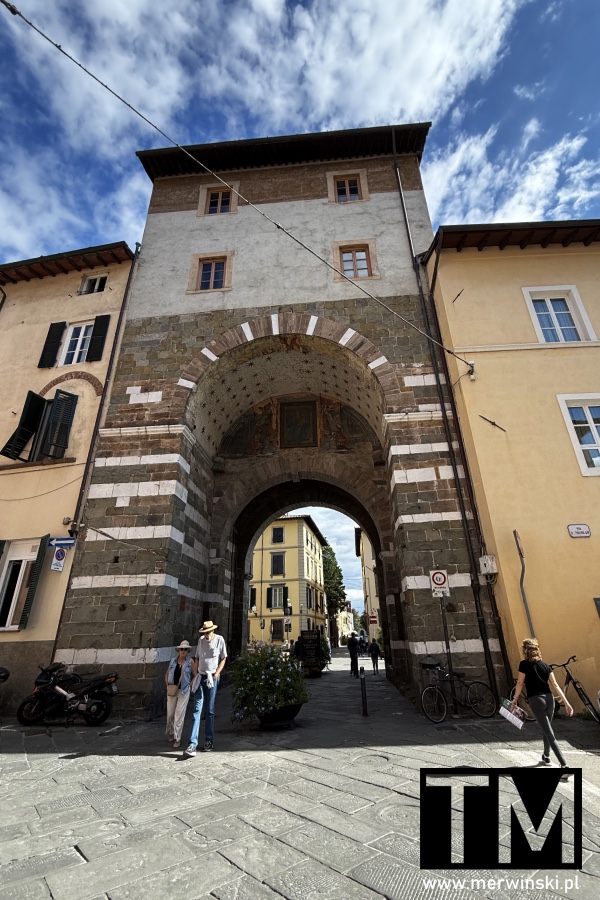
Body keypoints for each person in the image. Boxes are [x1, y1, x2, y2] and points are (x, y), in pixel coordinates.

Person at [511, 638, 573, 778]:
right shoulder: (545, 665)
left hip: (536, 700)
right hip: (550, 699)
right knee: (547, 728)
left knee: (549, 732)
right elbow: (555, 685)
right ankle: (546, 756)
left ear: (525, 651)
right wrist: (566, 702)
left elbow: (520, 683)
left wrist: (515, 699)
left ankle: (564, 766)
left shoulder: (524, 665)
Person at [183, 621, 227, 757]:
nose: (206, 635)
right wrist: (195, 675)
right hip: (201, 677)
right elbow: (197, 658)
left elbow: (223, 658)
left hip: (212, 677)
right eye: (204, 632)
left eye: (207, 632)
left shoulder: (219, 640)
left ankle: (209, 740)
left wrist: (217, 673)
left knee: (210, 711)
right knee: (196, 710)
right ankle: (192, 744)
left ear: (212, 631)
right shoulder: (201, 641)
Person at [165, 640, 194, 748]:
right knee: (170, 714)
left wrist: (190, 685)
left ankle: (178, 738)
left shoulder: (190, 661)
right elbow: (167, 673)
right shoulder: (173, 661)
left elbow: (195, 674)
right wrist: (167, 685)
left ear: (188, 651)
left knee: (179, 715)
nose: (183, 651)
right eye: (182, 649)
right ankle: (171, 732)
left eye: (185, 649)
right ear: (179, 650)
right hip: (172, 690)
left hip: (183, 691)